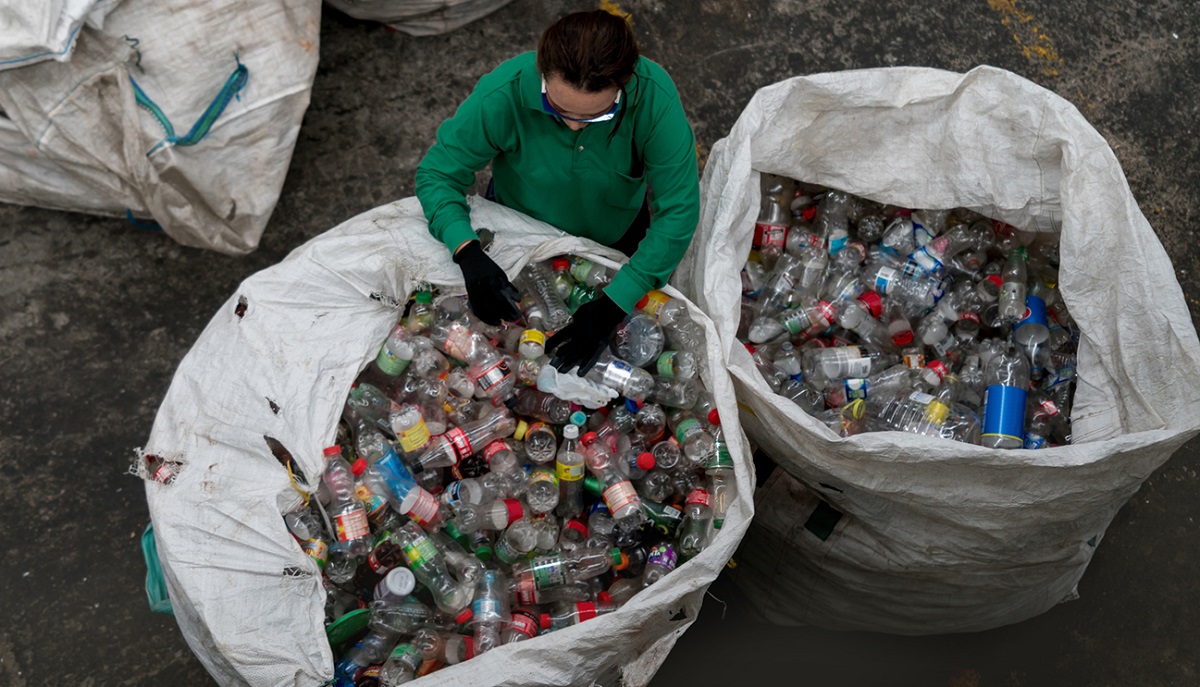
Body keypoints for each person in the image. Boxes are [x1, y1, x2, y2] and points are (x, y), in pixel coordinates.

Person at [415, 9, 700, 376]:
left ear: (625, 84)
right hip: (517, 227)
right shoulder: (504, 92)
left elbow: (677, 212)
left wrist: (615, 303)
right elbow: (439, 172)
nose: (573, 125)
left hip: (615, 237)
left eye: (596, 117)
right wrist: (466, 251)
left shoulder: (654, 98)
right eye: (556, 108)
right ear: (542, 73)